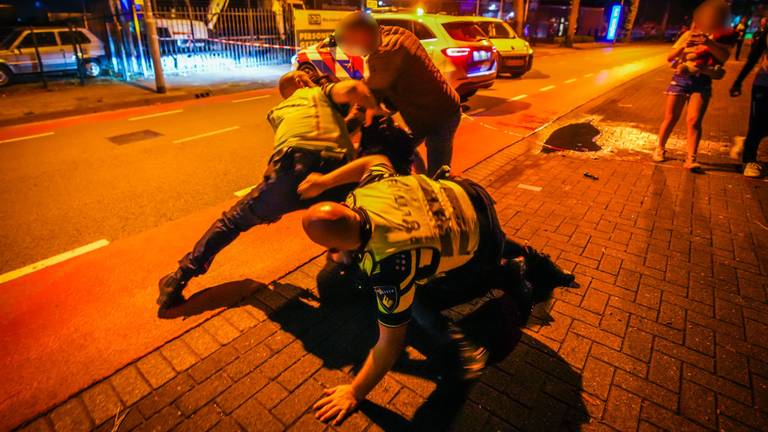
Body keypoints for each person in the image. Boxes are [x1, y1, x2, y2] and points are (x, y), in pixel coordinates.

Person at [297, 155, 574, 425]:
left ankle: (462, 351)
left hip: (478, 241)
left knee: (416, 296)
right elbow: (375, 160)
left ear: (342, 246)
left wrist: (355, 391)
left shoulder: (390, 266)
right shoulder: (368, 191)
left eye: (333, 249)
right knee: (488, 237)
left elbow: (390, 344)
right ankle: (539, 263)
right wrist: (323, 182)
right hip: (468, 197)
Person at [156, 71, 382, 309]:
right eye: (305, 75)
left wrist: (273, 204)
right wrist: (372, 110)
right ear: (300, 82)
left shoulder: (278, 112)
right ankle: (373, 271)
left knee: (232, 222)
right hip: (336, 171)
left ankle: (178, 278)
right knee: (362, 212)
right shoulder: (317, 92)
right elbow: (354, 91)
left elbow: (277, 161)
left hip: (289, 169)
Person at [334, 12, 462, 177]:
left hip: (442, 114)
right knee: (401, 147)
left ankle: (434, 189)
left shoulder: (386, 51)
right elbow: (388, 83)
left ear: (362, 35)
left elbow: (369, 94)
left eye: (349, 43)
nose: (348, 49)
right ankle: (418, 178)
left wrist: (343, 130)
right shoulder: (392, 32)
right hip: (418, 114)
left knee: (438, 175)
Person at [653, 0, 733, 172]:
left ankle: (691, 158)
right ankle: (659, 148)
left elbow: (724, 57)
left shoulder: (718, 37)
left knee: (694, 120)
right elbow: (670, 57)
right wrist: (683, 46)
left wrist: (708, 43)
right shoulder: (687, 35)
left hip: (702, 81)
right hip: (681, 79)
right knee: (671, 117)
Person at [730, 17, 768, 178]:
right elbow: (753, 59)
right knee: (757, 123)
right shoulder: (766, 34)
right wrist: (738, 82)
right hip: (764, 84)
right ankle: (748, 160)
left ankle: (745, 143)